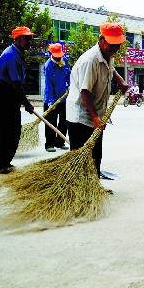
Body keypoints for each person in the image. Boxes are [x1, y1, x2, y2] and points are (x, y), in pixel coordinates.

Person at [66, 22, 129, 188]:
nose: (114, 48)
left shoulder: (108, 54)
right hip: (81, 115)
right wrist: (94, 117)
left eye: (117, 45)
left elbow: (111, 68)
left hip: (96, 112)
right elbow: (84, 92)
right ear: (101, 40)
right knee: (80, 157)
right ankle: (77, 190)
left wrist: (119, 79)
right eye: (111, 44)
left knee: (96, 155)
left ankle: (93, 189)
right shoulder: (90, 60)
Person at [0, 26, 35, 174]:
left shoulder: (18, 54)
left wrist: (23, 102)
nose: (29, 41)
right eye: (26, 38)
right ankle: (3, 164)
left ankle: (5, 161)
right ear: (17, 39)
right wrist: (27, 104)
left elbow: (17, 85)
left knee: (14, 131)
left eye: (30, 38)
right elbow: (16, 84)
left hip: (10, 93)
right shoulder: (11, 56)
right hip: (4, 94)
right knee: (7, 131)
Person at [43, 43, 70, 152]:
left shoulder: (65, 61)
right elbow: (48, 85)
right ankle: (49, 144)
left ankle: (60, 142)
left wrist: (70, 86)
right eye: (56, 56)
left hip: (64, 97)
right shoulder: (48, 65)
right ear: (51, 54)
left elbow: (69, 74)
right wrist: (50, 102)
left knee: (64, 122)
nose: (59, 57)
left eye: (60, 55)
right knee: (51, 122)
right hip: (51, 99)